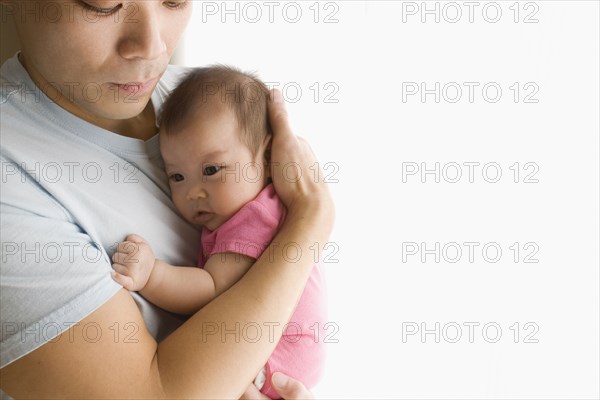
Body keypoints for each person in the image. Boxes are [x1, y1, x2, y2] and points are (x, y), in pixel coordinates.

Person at [0, 1, 334, 399]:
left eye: (173, 0)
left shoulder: (203, 103)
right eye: (103, 4)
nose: (153, 46)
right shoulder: (13, 174)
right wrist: (311, 218)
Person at [110, 65, 327, 398]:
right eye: (177, 177)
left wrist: (152, 274)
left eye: (212, 170)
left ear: (268, 158)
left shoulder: (256, 217)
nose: (194, 192)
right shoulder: (247, 209)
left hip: (276, 360)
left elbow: (211, 289)